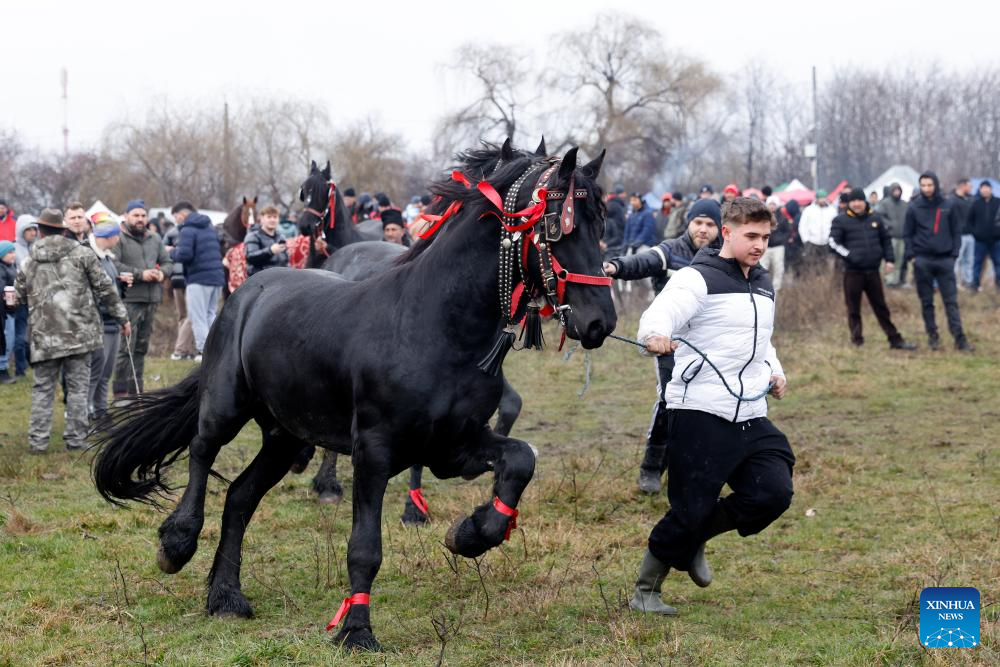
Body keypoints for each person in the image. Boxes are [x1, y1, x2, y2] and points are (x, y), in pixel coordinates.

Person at [629, 196, 793, 616]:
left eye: (765, 237)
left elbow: (760, 339)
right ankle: (646, 589)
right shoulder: (695, 278)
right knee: (689, 508)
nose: (759, 245)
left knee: (774, 491)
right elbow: (657, 316)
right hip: (699, 409)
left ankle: (695, 535)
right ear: (728, 232)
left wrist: (775, 370)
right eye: (750, 236)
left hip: (750, 412)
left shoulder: (762, 281)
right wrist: (655, 336)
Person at [603, 198, 723, 494]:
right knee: (671, 399)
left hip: (710, 343)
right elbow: (643, 262)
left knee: (707, 404)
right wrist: (614, 267)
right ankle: (652, 466)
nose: (704, 229)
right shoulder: (671, 251)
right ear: (688, 223)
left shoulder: (724, 259)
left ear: (720, 229)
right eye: (699, 222)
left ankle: (696, 465)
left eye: (710, 224)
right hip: (668, 342)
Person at [14, 209, 130, 453]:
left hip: (44, 336)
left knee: (43, 389)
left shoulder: (29, 260)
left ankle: (38, 442)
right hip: (80, 334)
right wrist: (122, 317)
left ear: (40, 231)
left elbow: (18, 297)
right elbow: (106, 288)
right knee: (78, 389)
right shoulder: (82, 254)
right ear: (63, 230)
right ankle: (76, 440)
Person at [828, 189, 916, 350]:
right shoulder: (840, 220)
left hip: (873, 272)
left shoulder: (875, 218)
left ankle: (895, 339)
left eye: (859, 200)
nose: (856, 204)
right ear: (849, 203)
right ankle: (857, 341)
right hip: (853, 273)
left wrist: (890, 260)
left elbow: (886, 240)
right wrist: (850, 255)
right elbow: (833, 243)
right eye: (853, 201)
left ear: (864, 201)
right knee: (854, 309)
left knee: (881, 307)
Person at [904, 172, 972, 351]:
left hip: (944, 260)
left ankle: (960, 339)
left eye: (929, 185)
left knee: (951, 302)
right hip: (922, 260)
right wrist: (912, 257)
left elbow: (956, 231)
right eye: (923, 185)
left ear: (935, 185)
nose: (926, 189)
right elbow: (907, 234)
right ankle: (932, 336)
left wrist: (954, 255)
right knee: (927, 302)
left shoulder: (948, 205)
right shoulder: (914, 207)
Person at [112, 199, 173, 395]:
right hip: (129, 299)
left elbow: (168, 262)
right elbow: (114, 265)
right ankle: (121, 394)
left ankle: (136, 391)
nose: (140, 219)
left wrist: (161, 273)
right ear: (126, 216)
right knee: (125, 349)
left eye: (143, 215)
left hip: (152, 299)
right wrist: (141, 274)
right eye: (136, 215)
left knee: (141, 349)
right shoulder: (118, 238)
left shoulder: (154, 238)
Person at [87, 220, 131, 419]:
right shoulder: (91, 257)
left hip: (114, 323)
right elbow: (97, 293)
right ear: (110, 236)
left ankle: (101, 410)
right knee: (94, 374)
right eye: (117, 235)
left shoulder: (107, 259)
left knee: (106, 373)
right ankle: (86, 412)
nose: (119, 238)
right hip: (101, 323)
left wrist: (121, 285)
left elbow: (110, 289)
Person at [171, 209, 225, 361]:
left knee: (198, 317)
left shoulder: (187, 229)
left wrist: (171, 252)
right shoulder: (209, 227)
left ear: (183, 214)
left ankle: (205, 353)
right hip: (217, 278)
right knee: (210, 315)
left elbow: (185, 255)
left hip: (198, 279)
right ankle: (217, 351)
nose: (175, 220)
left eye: (175, 216)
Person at [162, 203, 196, 360]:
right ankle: (186, 350)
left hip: (192, 279)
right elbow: (161, 253)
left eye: (176, 216)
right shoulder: (171, 233)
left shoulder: (194, 232)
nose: (175, 219)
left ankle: (183, 349)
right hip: (177, 278)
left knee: (192, 315)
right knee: (183, 315)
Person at [12, 214, 38, 377]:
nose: (32, 233)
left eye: (34, 229)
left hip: (37, 297)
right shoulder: (13, 249)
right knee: (20, 335)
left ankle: (35, 364)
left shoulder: (37, 248)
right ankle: (20, 368)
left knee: (36, 334)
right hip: (20, 298)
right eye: (28, 229)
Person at [875, 183, 909, 287]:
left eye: (898, 190)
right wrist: (888, 225)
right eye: (895, 190)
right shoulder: (885, 203)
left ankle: (896, 280)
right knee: (890, 259)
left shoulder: (904, 204)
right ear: (891, 191)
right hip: (890, 236)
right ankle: (888, 280)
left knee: (899, 260)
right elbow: (877, 215)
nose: (897, 192)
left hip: (902, 236)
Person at [969, 180, 1000, 291]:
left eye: (987, 188)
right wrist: (975, 232)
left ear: (991, 189)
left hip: (996, 240)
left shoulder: (997, 202)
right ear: (980, 190)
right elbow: (970, 221)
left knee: (998, 262)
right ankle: (975, 285)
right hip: (980, 240)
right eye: (983, 188)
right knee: (977, 263)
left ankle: (998, 285)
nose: (985, 190)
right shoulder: (976, 204)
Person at [244, 204, 288, 276]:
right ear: (262, 219)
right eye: (269, 217)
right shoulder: (253, 236)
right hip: (260, 281)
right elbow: (250, 257)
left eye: (275, 217)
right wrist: (270, 251)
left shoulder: (281, 237)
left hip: (280, 279)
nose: (272, 220)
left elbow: (286, 260)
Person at [797, 191, 836, 270]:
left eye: (824, 198)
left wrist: (832, 239)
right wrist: (806, 240)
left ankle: (824, 280)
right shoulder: (809, 210)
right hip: (812, 242)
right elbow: (802, 226)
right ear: (816, 199)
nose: (822, 200)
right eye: (820, 198)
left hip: (827, 242)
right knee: (810, 264)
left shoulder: (832, 210)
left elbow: (835, 225)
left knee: (825, 265)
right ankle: (811, 280)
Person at [947, 178, 974, 289]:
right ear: (962, 186)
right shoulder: (951, 200)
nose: (971, 188)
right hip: (958, 236)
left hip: (970, 235)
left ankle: (967, 282)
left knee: (968, 260)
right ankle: (953, 283)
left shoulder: (970, 199)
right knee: (956, 260)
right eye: (969, 186)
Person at [760, 196, 789, 290]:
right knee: (762, 268)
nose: (772, 206)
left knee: (778, 269)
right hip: (765, 247)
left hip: (778, 247)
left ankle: (776, 290)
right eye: (770, 204)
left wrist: (781, 240)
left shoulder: (782, 217)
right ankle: (763, 287)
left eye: (774, 204)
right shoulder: (762, 217)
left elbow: (787, 231)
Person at [0, 240, 17, 383]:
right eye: (9, 252)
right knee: (6, 339)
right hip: (5, 312)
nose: (13, 255)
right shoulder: (1, 270)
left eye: (13, 251)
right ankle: (2, 369)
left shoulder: (10, 266)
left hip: (11, 310)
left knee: (9, 340)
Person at [602, 185, 627, 258]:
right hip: (614, 237)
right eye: (623, 193)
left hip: (613, 237)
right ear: (619, 194)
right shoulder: (614, 204)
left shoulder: (615, 204)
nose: (625, 195)